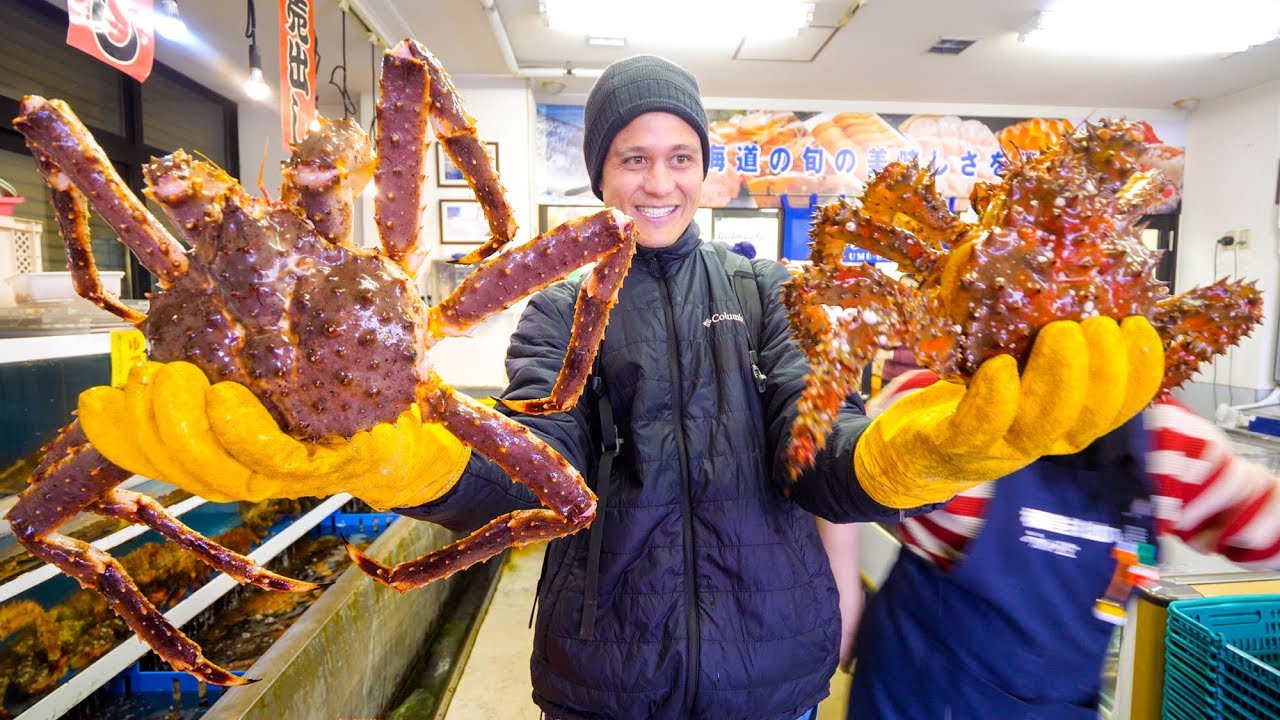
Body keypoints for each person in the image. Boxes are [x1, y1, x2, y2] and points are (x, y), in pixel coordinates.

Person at [115, 55, 1164, 719]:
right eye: (629, 158)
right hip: (601, 672)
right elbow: (540, 468)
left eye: (676, 157)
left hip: (773, 669)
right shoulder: (554, 312)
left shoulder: (768, 291)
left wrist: (923, 452)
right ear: (598, 174)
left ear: (707, 173)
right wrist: (401, 456)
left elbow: (826, 464)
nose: (655, 181)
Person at [835, 364, 1280, 719]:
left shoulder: (1171, 444)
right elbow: (837, 467)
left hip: (1062, 703)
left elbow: (1265, 524)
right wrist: (842, 594)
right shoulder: (936, 406)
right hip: (913, 697)